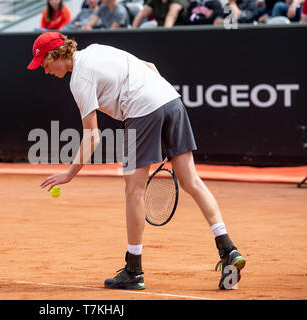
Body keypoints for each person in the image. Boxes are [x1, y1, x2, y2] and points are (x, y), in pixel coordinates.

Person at [27, 32, 246, 290]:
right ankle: (227, 249)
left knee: (134, 191)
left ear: (55, 55)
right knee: (192, 181)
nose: (44, 70)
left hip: (141, 112)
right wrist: (157, 109)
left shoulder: (79, 80)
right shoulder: (98, 49)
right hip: (171, 100)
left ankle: (133, 270)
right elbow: (150, 67)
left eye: (43, 63)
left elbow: (92, 137)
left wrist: (69, 174)